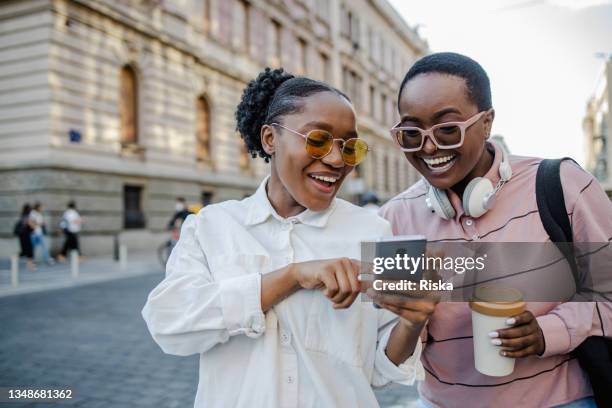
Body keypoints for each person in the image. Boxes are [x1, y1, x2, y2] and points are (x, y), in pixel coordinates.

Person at [142, 68, 437, 407]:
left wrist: (413, 321)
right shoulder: (212, 226)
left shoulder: (374, 231)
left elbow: (382, 370)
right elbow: (169, 325)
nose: (336, 159)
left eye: (349, 147)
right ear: (270, 139)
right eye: (317, 140)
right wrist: (293, 276)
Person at [379, 52, 612, 408]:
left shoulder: (564, 184)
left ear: (486, 122)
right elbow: (387, 361)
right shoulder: (393, 219)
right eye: (411, 133)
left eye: (447, 129)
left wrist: (548, 332)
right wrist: (412, 321)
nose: (428, 147)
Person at [14, 203, 35, 271]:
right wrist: (35, 225)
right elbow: (32, 226)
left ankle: (30, 266)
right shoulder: (27, 217)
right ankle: (30, 266)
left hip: (22, 235)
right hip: (26, 235)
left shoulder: (23, 216)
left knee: (24, 251)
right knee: (29, 251)